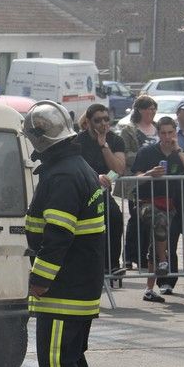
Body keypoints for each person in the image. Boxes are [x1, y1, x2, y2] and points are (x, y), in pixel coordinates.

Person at [21, 101, 104, 367]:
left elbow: (57, 237)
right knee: (72, 354)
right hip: (81, 284)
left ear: (39, 138)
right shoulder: (76, 165)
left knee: (55, 357)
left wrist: (39, 281)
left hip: (64, 288)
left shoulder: (64, 175)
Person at [131, 117, 184, 302]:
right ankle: (163, 260)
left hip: (171, 204)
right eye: (163, 133)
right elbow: (135, 176)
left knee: (157, 237)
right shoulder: (146, 152)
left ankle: (149, 288)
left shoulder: (179, 152)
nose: (167, 136)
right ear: (158, 133)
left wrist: (178, 149)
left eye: (170, 132)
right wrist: (149, 174)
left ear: (175, 132)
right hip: (146, 202)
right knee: (159, 223)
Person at [73, 103, 125, 275]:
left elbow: (118, 169)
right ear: (88, 122)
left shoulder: (115, 140)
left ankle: (112, 265)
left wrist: (104, 146)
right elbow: (74, 167)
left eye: (106, 119)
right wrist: (95, 178)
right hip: (81, 193)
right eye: (98, 120)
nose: (103, 124)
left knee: (115, 218)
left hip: (102, 193)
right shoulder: (77, 141)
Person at [117, 95, 159, 270]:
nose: (151, 111)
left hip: (156, 181)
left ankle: (145, 255)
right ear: (139, 110)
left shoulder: (158, 129)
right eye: (148, 108)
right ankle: (129, 255)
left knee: (152, 219)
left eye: (153, 108)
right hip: (136, 180)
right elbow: (125, 154)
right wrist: (146, 157)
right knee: (136, 218)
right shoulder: (129, 130)